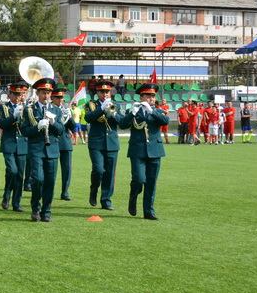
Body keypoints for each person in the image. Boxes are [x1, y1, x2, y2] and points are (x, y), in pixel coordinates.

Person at [118, 83, 169, 220]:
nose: (151, 98)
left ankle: (148, 211)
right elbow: (122, 125)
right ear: (141, 97)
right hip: (137, 150)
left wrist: (151, 111)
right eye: (148, 96)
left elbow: (165, 121)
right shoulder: (133, 111)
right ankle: (133, 197)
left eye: (153, 96)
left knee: (151, 182)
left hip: (155, 150)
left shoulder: (158, 111)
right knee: (139, 179)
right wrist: (132, 114)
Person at [19, 78, 65, 222]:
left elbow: (61, 131)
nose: (47, 96)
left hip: (52, 150)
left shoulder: (56, 110)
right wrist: (37, 127)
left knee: (50, 182)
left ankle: (46, 212)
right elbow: (24, 130)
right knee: (38, 179)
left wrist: (53, 122)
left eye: (49, 93)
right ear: (38, 93)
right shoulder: (29, 110)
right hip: (36, 149)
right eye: (44, 93)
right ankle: (35, 208)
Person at [84, 80, 124, 212]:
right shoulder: (91, 105)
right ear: (97, 93)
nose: (105, 94)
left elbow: (122, 123)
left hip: (112, 143)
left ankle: (106, 200)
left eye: (107, 92)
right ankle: (94, 189)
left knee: (109, 173)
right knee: (99, 170)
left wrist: (113, 113)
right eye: (102, 92)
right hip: (96, 143)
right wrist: (102, 109)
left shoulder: (116, 105)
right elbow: (89, 118)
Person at [0, 82, 29, 213]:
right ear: (9, 95)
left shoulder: (27, 108)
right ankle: (6, 194)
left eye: (20, 94)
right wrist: (13, 116)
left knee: (20, 175)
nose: (17, 97)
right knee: (12, 171)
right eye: (15, 94)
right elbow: (2, 124)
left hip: (22, 144)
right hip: (9, 143)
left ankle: (17, 202)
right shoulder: (3, 108)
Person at [51, 87, 76, 201]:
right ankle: (49, 191)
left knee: (67, 169)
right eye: (58, 97)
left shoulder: (66, 109)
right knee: (52, 170)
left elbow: (73, 127)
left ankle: (65, 192)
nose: (61, 100)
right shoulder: (49, 109)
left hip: (65, 142)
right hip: (52, 142)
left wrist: (70, 117)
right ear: (52, 98)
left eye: (62, 97)